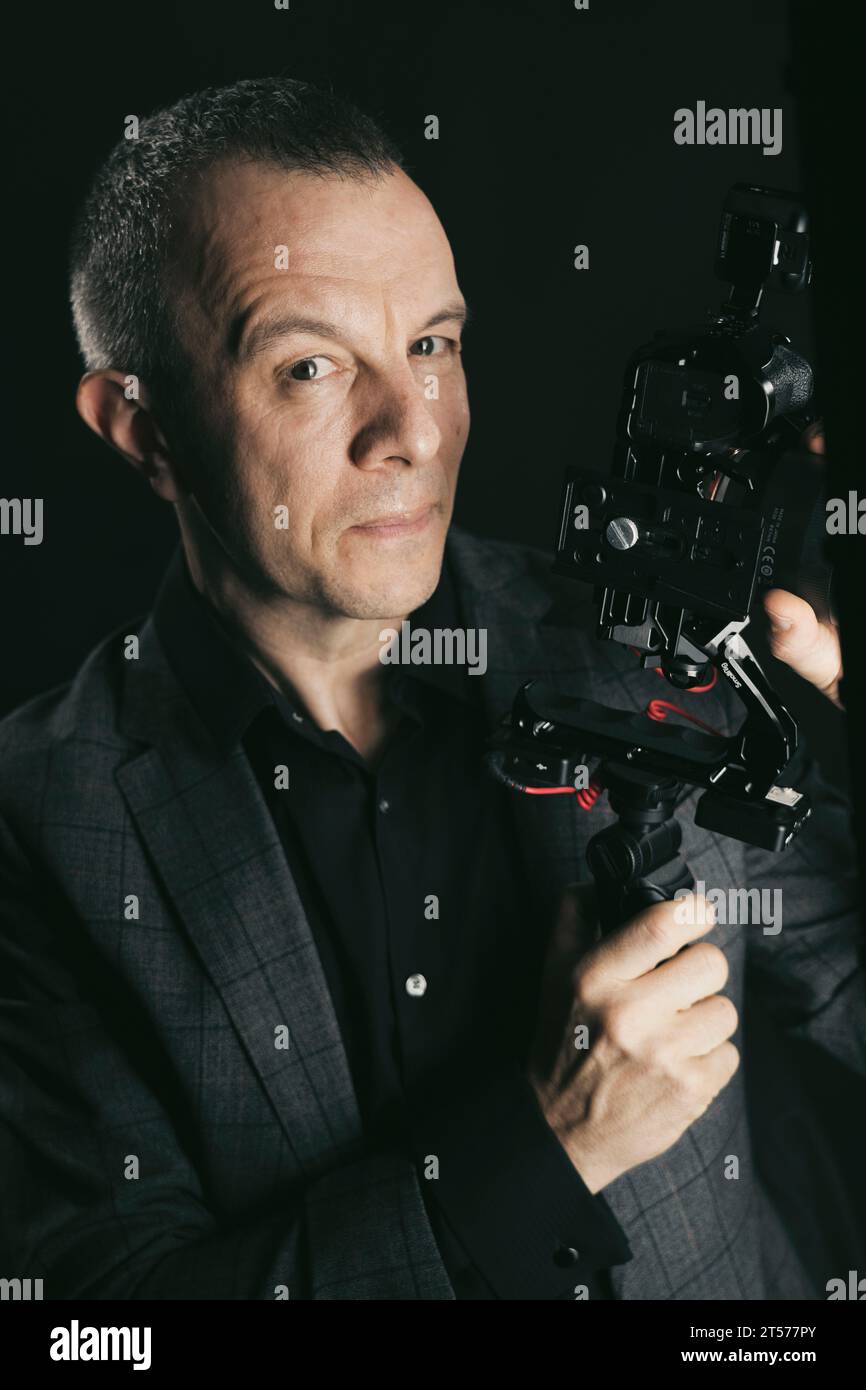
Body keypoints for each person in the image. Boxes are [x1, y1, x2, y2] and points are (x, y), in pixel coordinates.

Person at [0, 76, 859, 1301]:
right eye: (308, 367)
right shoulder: (40, 822)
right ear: (141, 427)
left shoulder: (644, 643)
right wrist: (547, 1145)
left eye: (431, 344)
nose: (410, 425)